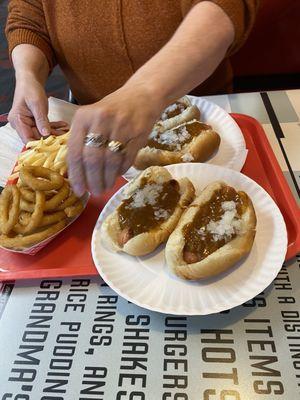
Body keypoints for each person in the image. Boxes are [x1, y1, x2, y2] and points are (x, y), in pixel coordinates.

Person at [6, 0, 259, 196]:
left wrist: (145, 91)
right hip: (91, 129)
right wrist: (28, 73)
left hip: (213, 110)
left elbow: (226, 7)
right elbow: (30, 14)